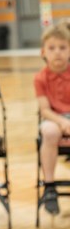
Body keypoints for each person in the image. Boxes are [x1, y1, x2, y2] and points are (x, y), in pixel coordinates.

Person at [34, 23, 70, 216]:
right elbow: (44, 110)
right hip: (53, 118)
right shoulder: (40, 78)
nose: (57, 52)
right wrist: (62, 122)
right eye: (52, 48)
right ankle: (49, 186)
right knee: (49, 132)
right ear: (43, 52)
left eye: (63, 48)